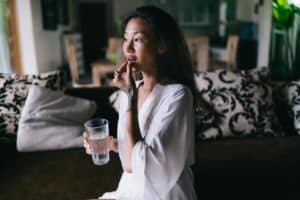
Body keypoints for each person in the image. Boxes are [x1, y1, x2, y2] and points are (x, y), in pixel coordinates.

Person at [83, 5, 197, 200]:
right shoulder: (131, 89)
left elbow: (137, 164)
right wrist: (110, 144)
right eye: (126, 39)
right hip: (130, 186)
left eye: (137, 39)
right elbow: (136, 150)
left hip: (162, 192)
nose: (127, 48)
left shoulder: (178, 96)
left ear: (161, 46)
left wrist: (130, 98)